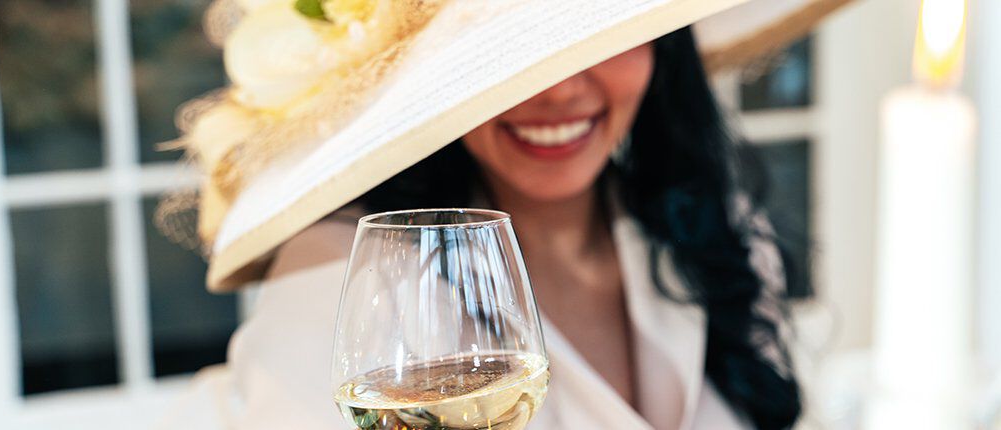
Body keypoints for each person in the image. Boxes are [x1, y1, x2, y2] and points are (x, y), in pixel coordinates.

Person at [158, 1, 852, 429]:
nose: (561, 90)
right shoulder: (342, 274)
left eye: (599, 30)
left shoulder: (707, 233)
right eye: (509, 63)